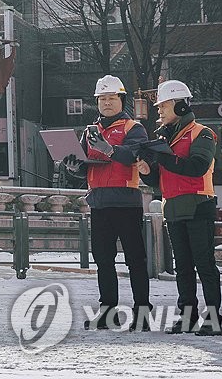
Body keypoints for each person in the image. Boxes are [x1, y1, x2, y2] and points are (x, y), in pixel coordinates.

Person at [63, 75, 152, 330]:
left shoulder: (133, 128)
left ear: (121, 100)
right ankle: (108, 311)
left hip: (126, 202)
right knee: (103, 260)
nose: (107, 103)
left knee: (135, 259)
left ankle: (142, 312)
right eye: (102, 99)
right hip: (99, 203)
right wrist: (72, 167)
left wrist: (109, 148)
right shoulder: (91, 131)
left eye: (112, 98)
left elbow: (134, 155)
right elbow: (85, 168)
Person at [143, 79, 222, 336]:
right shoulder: (165, 139)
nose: (160, 111)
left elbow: (197, 167)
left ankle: (213, 319)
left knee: (205, 264)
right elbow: (159, 179)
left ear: (179, 106)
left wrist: (163, 156)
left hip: (199, 205)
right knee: (184, 267)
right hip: (174, 208)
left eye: (163, 105)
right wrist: (146, 170)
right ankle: (187, 317)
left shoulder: (203, 133)